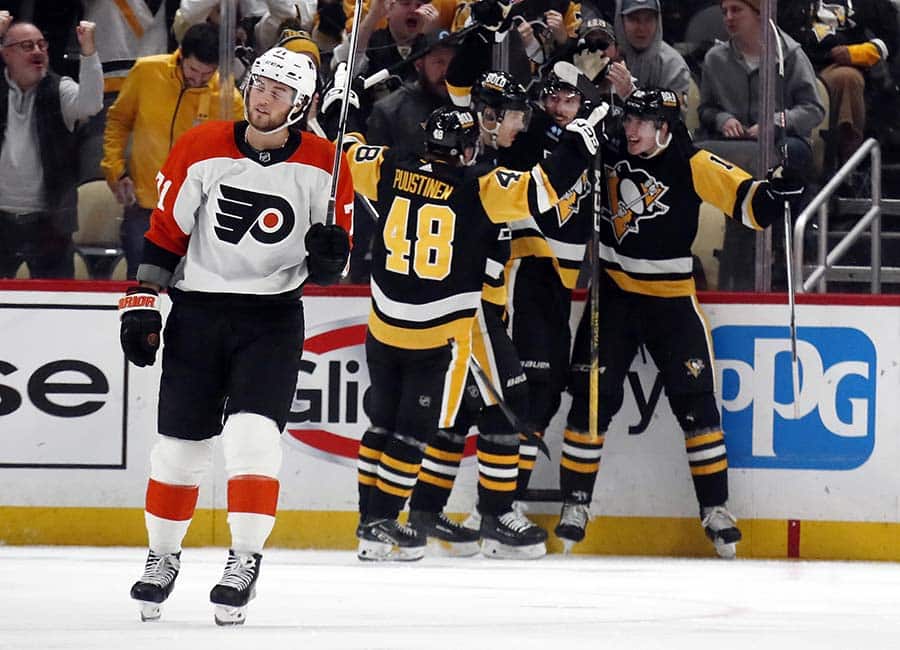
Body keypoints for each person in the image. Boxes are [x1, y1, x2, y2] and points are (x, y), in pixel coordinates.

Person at [120, 46, 352, 624]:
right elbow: (165, 233)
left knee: (252, 440)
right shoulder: (201, 146)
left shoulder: (327, 164)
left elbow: (331, 265)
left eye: (281, 90)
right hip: (198, 314)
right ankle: (162, 556)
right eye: (260, 84)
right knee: (178, 449)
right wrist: (141, 304)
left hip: (271, 320)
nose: (265, 96)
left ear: (302, 105)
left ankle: (244, 559)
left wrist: (329, 260)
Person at [554, 88, 805, 558]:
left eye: (642, 122)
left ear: (665, 128)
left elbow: (752, 206)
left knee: (697, 406)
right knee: (591, 400)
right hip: (612, 297)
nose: (631, 129)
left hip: (672, 300)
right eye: (629, 120)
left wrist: (782, 188)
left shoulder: (693, 162)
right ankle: (576, 502)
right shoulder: (604, 150)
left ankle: (715, 508)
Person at [346, 103, 603, 561]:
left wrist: (338, 114)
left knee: (392, 423)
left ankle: (386, 522)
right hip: (448, 326)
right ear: (466, 147)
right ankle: (487, 516)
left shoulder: (389, 165)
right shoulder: (478, 186)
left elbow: (347, 153)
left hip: (384, 325)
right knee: (432, 425)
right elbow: (542, 188)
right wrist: (578, 146)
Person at [404, 71, 551, 559]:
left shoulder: (476, 155)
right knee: (509, 402)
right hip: (474, 308)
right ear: (488, 118)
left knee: (462, 411)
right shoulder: (475, 167)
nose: (522, 124)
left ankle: (422, 515)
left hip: (472, 304)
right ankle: (496, 516)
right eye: (515, 115)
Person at [101, 22, 244, 280]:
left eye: (207, 73)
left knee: (191, 290)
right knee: (142, 285)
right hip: (143, 206)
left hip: (195, 217)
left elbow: (235, 160)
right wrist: (115, 169)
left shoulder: (227, 100)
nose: (198, 78)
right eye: (193, 69)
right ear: (180, 54)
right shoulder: (146, 72)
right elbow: (118, 121)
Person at [697, 0, 824, 291]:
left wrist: (778, 120)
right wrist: (722, 118)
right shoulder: (715, 58)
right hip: (736, 145)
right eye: (724, 11)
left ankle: (785, 248)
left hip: (783, 141)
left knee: (784, 159)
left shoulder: (790, 54)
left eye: (736, 10)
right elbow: (706, 108)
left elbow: (813, 108)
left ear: (759, 12)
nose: (728, 17)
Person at [0, 15, 102, 279]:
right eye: (27, 46)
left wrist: (89, 53)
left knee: (56, 301)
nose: (37, 51)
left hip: (50, 222)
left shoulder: (60, 89)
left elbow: (91, 104)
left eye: (42, 45)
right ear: (6, 53)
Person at [780, 0, 899, 168]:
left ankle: (847, 169)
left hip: (841, 67)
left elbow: (891, 38)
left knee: (847, 79)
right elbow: (773, 31)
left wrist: (858, 53)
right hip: (794, 65)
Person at [607, 0, 691, 104]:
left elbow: (675, 117)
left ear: (658, 20)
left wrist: (630, 95)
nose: (642, 28)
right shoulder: (605, 57)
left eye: (649, 19)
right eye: (634, 19)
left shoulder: (674, 66)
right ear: (620, 21)